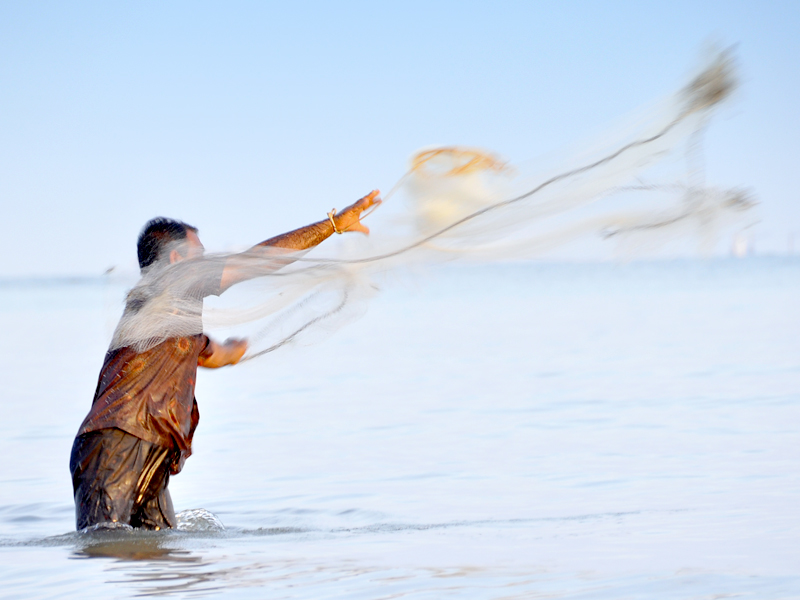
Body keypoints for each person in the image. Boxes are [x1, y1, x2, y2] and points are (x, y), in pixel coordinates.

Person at [69, 191, 381, 531]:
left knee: (160, 557)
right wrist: (333, 225)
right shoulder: (167, 283)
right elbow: (255, 261)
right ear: (176, 259)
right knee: (104, 544)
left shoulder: (170, 317)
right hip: (117, 440)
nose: (208, 261)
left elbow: (213, 354)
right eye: (200, 255)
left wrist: (241, 347)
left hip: (151, 449)